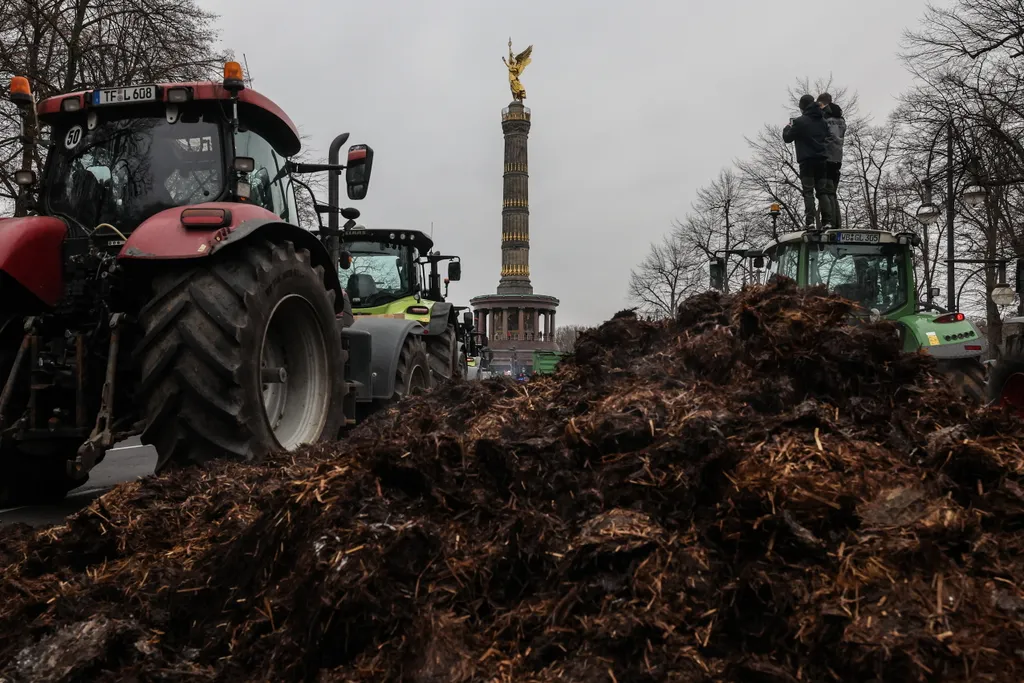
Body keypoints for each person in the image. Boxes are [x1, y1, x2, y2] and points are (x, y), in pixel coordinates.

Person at [783, 94, 834, 229]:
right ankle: (827, 222)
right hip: (822, 160)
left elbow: (787, 138)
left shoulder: (800, 122)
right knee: (822, 192)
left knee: (808, 191)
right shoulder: (823, 122)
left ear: (802, 107)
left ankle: (810, 222)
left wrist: (788, 126)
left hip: (807, 161)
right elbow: (827, 136)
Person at [818, 93, 847, 229]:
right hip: (838, 157)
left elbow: (825, 136)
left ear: (822, 104)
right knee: (833, 193)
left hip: (826, 157)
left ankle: (829, 223)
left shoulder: (825, 119)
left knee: (825, 191)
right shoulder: (841, 120)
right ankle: (837, 223)